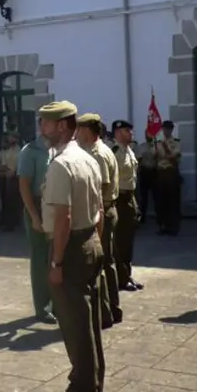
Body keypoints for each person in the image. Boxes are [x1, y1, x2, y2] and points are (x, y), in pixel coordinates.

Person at [39, 101, 106, 392]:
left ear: (62, 126)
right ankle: (93, 386)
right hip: (90, 240)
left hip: (70, 246)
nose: (42, 128)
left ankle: (81, 391)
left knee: (75, 325)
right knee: (88, 322)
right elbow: (101, 208)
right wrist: (96, 241)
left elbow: (63, 217)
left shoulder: (62, 164)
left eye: (46, 123)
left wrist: (56, 262)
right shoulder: (87, 158)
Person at [77, 112, 121, 328]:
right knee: (106, 262)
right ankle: (113, 308)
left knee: (99, 265)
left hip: (101, 212)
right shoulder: (96, 150)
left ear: (87, 130)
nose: (76, 133)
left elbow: (101, 188)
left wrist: (95, 218)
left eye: (79, 128)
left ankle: (106, 312)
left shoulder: (98, 154)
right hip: (104, 210)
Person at [17, 129, 55, 323]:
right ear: (43, 126)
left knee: (57, 256)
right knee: (41, 259)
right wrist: (34, 216)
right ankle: (43, 306)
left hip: (58, 206)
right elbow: (24, 185)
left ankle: (57, 302)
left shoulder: (60, 148)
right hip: (38, 206)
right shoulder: (30, 151)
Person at [111, 120, 143, 291]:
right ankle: (121, 279)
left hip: (130, 197)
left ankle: (127, 275)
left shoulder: (129, 150)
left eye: (130, 130)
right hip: (119, 199)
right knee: (121, 242)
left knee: (129, 241)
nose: (130, 133)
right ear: (117, 133)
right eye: (126, 131)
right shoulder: (114, 152)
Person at [153, 121, 182, 235]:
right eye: (164, 129)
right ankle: (162, 225)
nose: (166, 131)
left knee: (173, 201)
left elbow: (174, 156)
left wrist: (164, 154)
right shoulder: (158, 142)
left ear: (172, 130)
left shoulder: (176, 142)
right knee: (161, 201)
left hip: (171, 172)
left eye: (168, 129)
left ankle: (174, 226)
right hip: (160, 173)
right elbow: (153, 156)